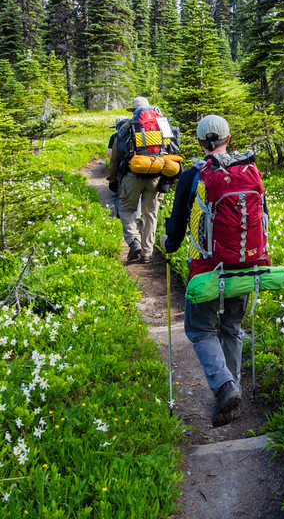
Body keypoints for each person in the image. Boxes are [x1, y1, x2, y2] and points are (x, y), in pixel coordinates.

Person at [161, 114, 254, 427]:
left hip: (207, 270)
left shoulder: (192, 175)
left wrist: (166, 241)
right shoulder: (248, 170)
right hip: (245, 264)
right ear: (229, 138)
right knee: (231, 327)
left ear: (199, 142)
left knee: (201, 330)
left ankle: (225, 388)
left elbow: (173, 238)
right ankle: (232, 392)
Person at [108, 96, 163, 263]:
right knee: (150, 214)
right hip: (155, 174)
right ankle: (147, 253)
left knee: (126, 208)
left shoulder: (126, 128)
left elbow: (115, 158)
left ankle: (134, 239)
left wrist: (112, 180)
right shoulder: (159, 125)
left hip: (131, 175)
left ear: (133, 111)